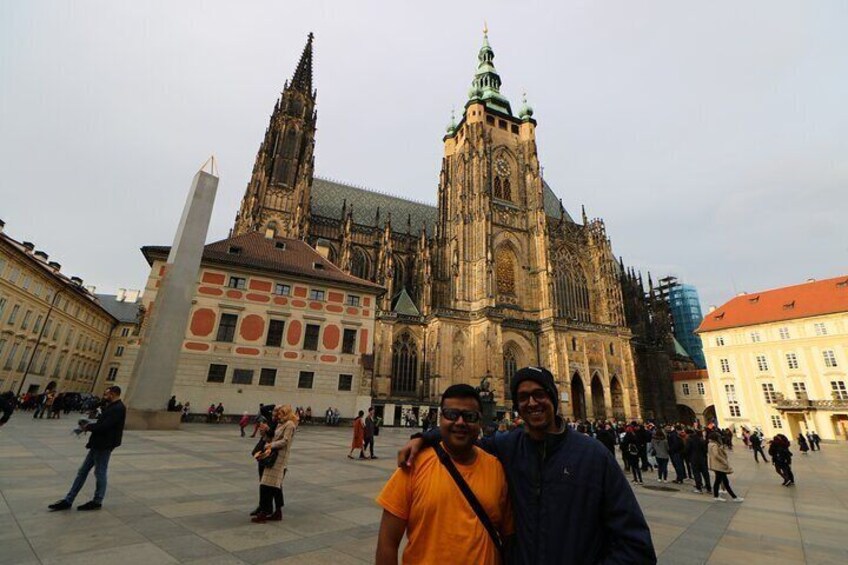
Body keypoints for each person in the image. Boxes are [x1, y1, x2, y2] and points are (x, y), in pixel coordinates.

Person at [399, 366, 656, 564]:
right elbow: (464, 436)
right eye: (523, 397)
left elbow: (636, 546)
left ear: (554, 398)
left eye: (539, 394)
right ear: (517, 405)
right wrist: (425, 437)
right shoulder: (508, 448)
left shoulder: (593, 456)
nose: (532, 402)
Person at [376, 384, 513, 564]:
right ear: (440, 418)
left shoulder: (496, 468)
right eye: (451, 415)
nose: (460, 422)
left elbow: (509, 538)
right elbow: (387, 543)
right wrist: (423, 437)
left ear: (480, 421)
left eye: (470, 417)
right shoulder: (413, 465)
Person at [48, 386, 126, 511]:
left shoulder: (118, 408)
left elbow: (105, 426)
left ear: (113, 394)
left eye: (106, 394)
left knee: (99, 473)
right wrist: (89, 425)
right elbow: (102, 423)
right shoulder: (111, 406)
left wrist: (87, 427)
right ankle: (68, 500)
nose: (104, 397)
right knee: (82, 472)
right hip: (97, 444)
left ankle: (97, 501)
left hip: (104, 445)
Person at [251, 404, 298, 523]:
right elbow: (272, 438)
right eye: (277, 414)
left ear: (287, 414)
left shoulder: (290, 425)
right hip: (272, 457)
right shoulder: (281, 424)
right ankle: (276, 512)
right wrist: (264, 433)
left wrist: (270, 445)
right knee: (273, 486)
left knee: (266, 485)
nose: (278, 416)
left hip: (279, 459)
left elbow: (285, 441)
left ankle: (264, 513)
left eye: (281, 413)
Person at [707, 431, 743, 503]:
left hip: (716, 465)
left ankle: (718, 496)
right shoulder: (714, 445)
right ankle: (733, 497)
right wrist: (724, 461)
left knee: (719, 481)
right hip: (719, 466)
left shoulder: (711, 444)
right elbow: (716, 455)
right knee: (724, 482)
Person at [685, 428, 711, 494]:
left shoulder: (689, 440)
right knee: (705, 474)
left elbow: (687, 450)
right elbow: (705, 450)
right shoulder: (702, 440)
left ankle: (699, 488)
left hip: (694, 459)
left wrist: (688, 458)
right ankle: (709, 488)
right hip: (703, 458)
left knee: (696, 474)